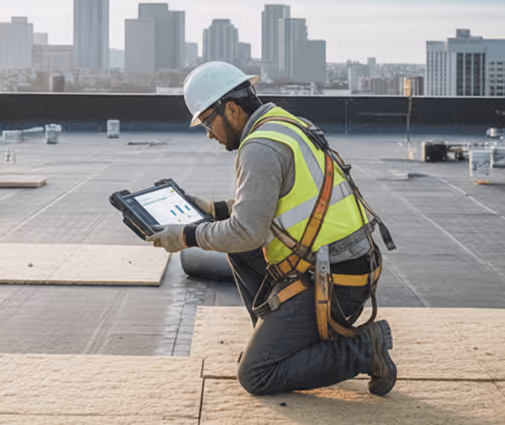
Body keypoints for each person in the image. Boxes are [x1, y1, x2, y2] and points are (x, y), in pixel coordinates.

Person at [147, 61, 398, 397]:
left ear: (232, 109)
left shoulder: (260, 148)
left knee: (257, 375)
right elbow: (272, 205)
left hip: (335, 283)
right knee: (236, 248)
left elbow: (246, 232)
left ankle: (365, 348)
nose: (209, 133)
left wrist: (185, 236)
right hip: (346, 263)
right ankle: (273, 340)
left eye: (208, 122)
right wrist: (207, 208)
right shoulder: (285, 124)